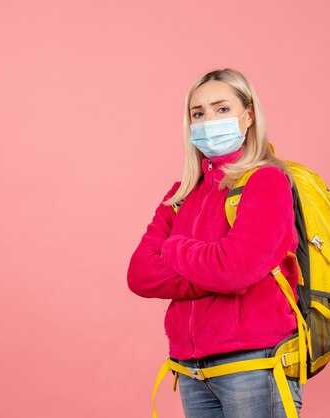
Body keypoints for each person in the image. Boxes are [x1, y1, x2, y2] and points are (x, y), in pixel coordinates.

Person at [127, 68, 304, 417]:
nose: (209, 120)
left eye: (222, 109)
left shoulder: (266, 181)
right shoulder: (180, 194)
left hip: (254, 365)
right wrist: (215, 270)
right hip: (192, 371)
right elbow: (140, 275)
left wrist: (173, 248)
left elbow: (236, 270)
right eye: (198, 113)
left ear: (248, 115)